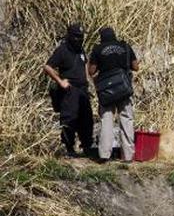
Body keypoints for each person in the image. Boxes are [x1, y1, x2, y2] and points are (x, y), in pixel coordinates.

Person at [88, 27, 139, 163]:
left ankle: (104, 155)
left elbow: (91, 71)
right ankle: (128, 156)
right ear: (114, 36)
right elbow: (135, 67)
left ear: (102, 37)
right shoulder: (125, 46)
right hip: (123, 90)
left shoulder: (97, 49)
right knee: (126, 120)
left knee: (106, 120)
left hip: (106, 92)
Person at [43, 23, 93, 158]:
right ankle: (69, 148)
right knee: (69, 118)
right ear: (70, 36)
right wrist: (60, 81)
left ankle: (87, 147)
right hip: (70, 89)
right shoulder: (62, 50)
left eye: (81, 36)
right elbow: (48, 67)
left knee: (86, 119)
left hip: (83, 89)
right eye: (77, 36)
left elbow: (85, 65)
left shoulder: (81, 50)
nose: (80, 39)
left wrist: (87, 80)